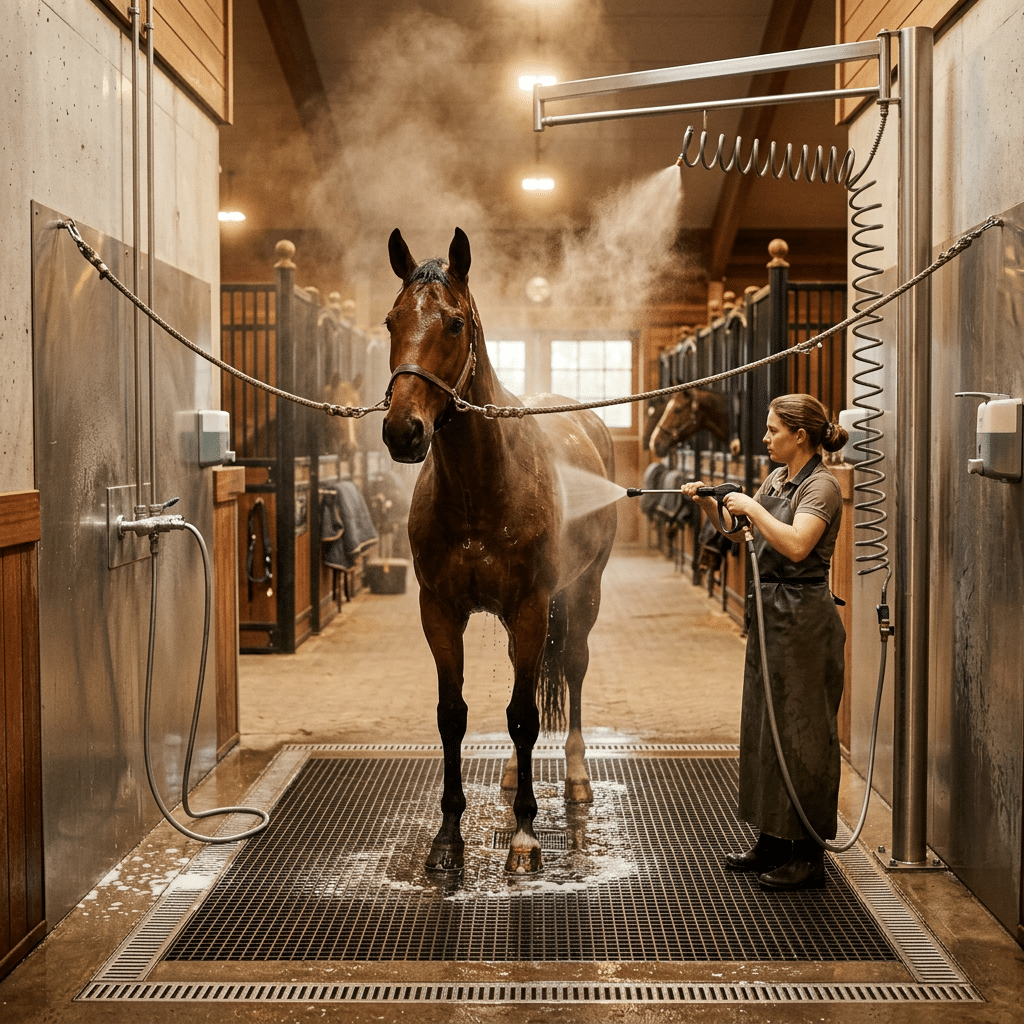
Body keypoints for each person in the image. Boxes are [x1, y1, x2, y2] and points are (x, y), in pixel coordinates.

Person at [681, 394, 849, 891]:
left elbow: (797, 544)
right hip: (771, 614)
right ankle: (773, 839)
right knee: (766, 727)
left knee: (804, 734)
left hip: (804, 618)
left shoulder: (823, 487)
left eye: (773, 430)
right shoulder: (778, 479)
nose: (765, 438)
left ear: (801, 435)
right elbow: (741, 534)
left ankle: (807, 854)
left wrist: (751, 504)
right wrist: (713, 507)